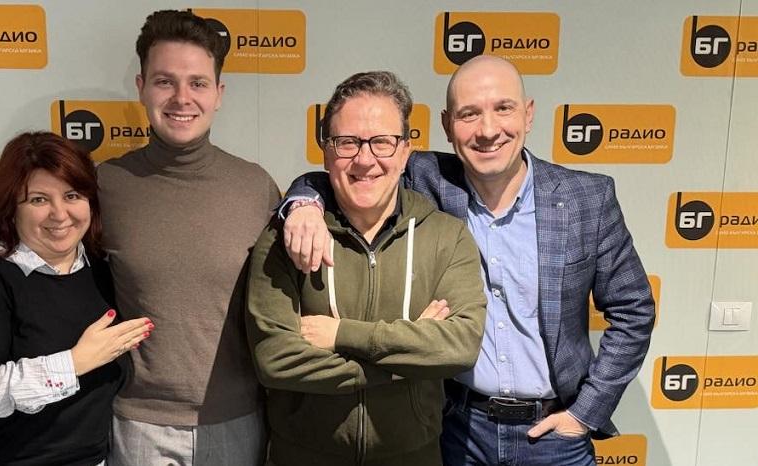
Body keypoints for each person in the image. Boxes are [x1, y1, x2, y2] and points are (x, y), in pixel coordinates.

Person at [280, 55, 656, 466]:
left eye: (503, 108)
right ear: (446, 125)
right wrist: (303, 205)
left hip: (555, 436)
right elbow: (343, 171)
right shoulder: (425, 176)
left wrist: (584, 414)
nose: (488, 130)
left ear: (529, 114)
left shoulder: (586, 198)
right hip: (456, 427)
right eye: (469, 114)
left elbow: (634, 309)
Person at [0, 10, 279, 466]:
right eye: (165, 81)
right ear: (141, 87)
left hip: (237, 420)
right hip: (135, 423)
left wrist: (310, 203)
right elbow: (49, 250)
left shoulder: (257, 187)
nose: (182, 98)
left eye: (198, 83)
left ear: (219, 94)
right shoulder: (103, 186)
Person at [246, 71, 486, 466]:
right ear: (326, 152)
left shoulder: (447, 236)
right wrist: (406, 362)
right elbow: (275, 359)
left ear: (406, 151)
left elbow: (460, 346)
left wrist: (342, 334)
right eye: (347, 142)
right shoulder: (286, 237)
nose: (364, 158)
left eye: (382, 142)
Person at [0, 131, 152, 465]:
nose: (59, 214)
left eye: (72, 195)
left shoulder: (104, 272)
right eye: (38, 200)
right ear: (12, 209)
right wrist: (74, 363)